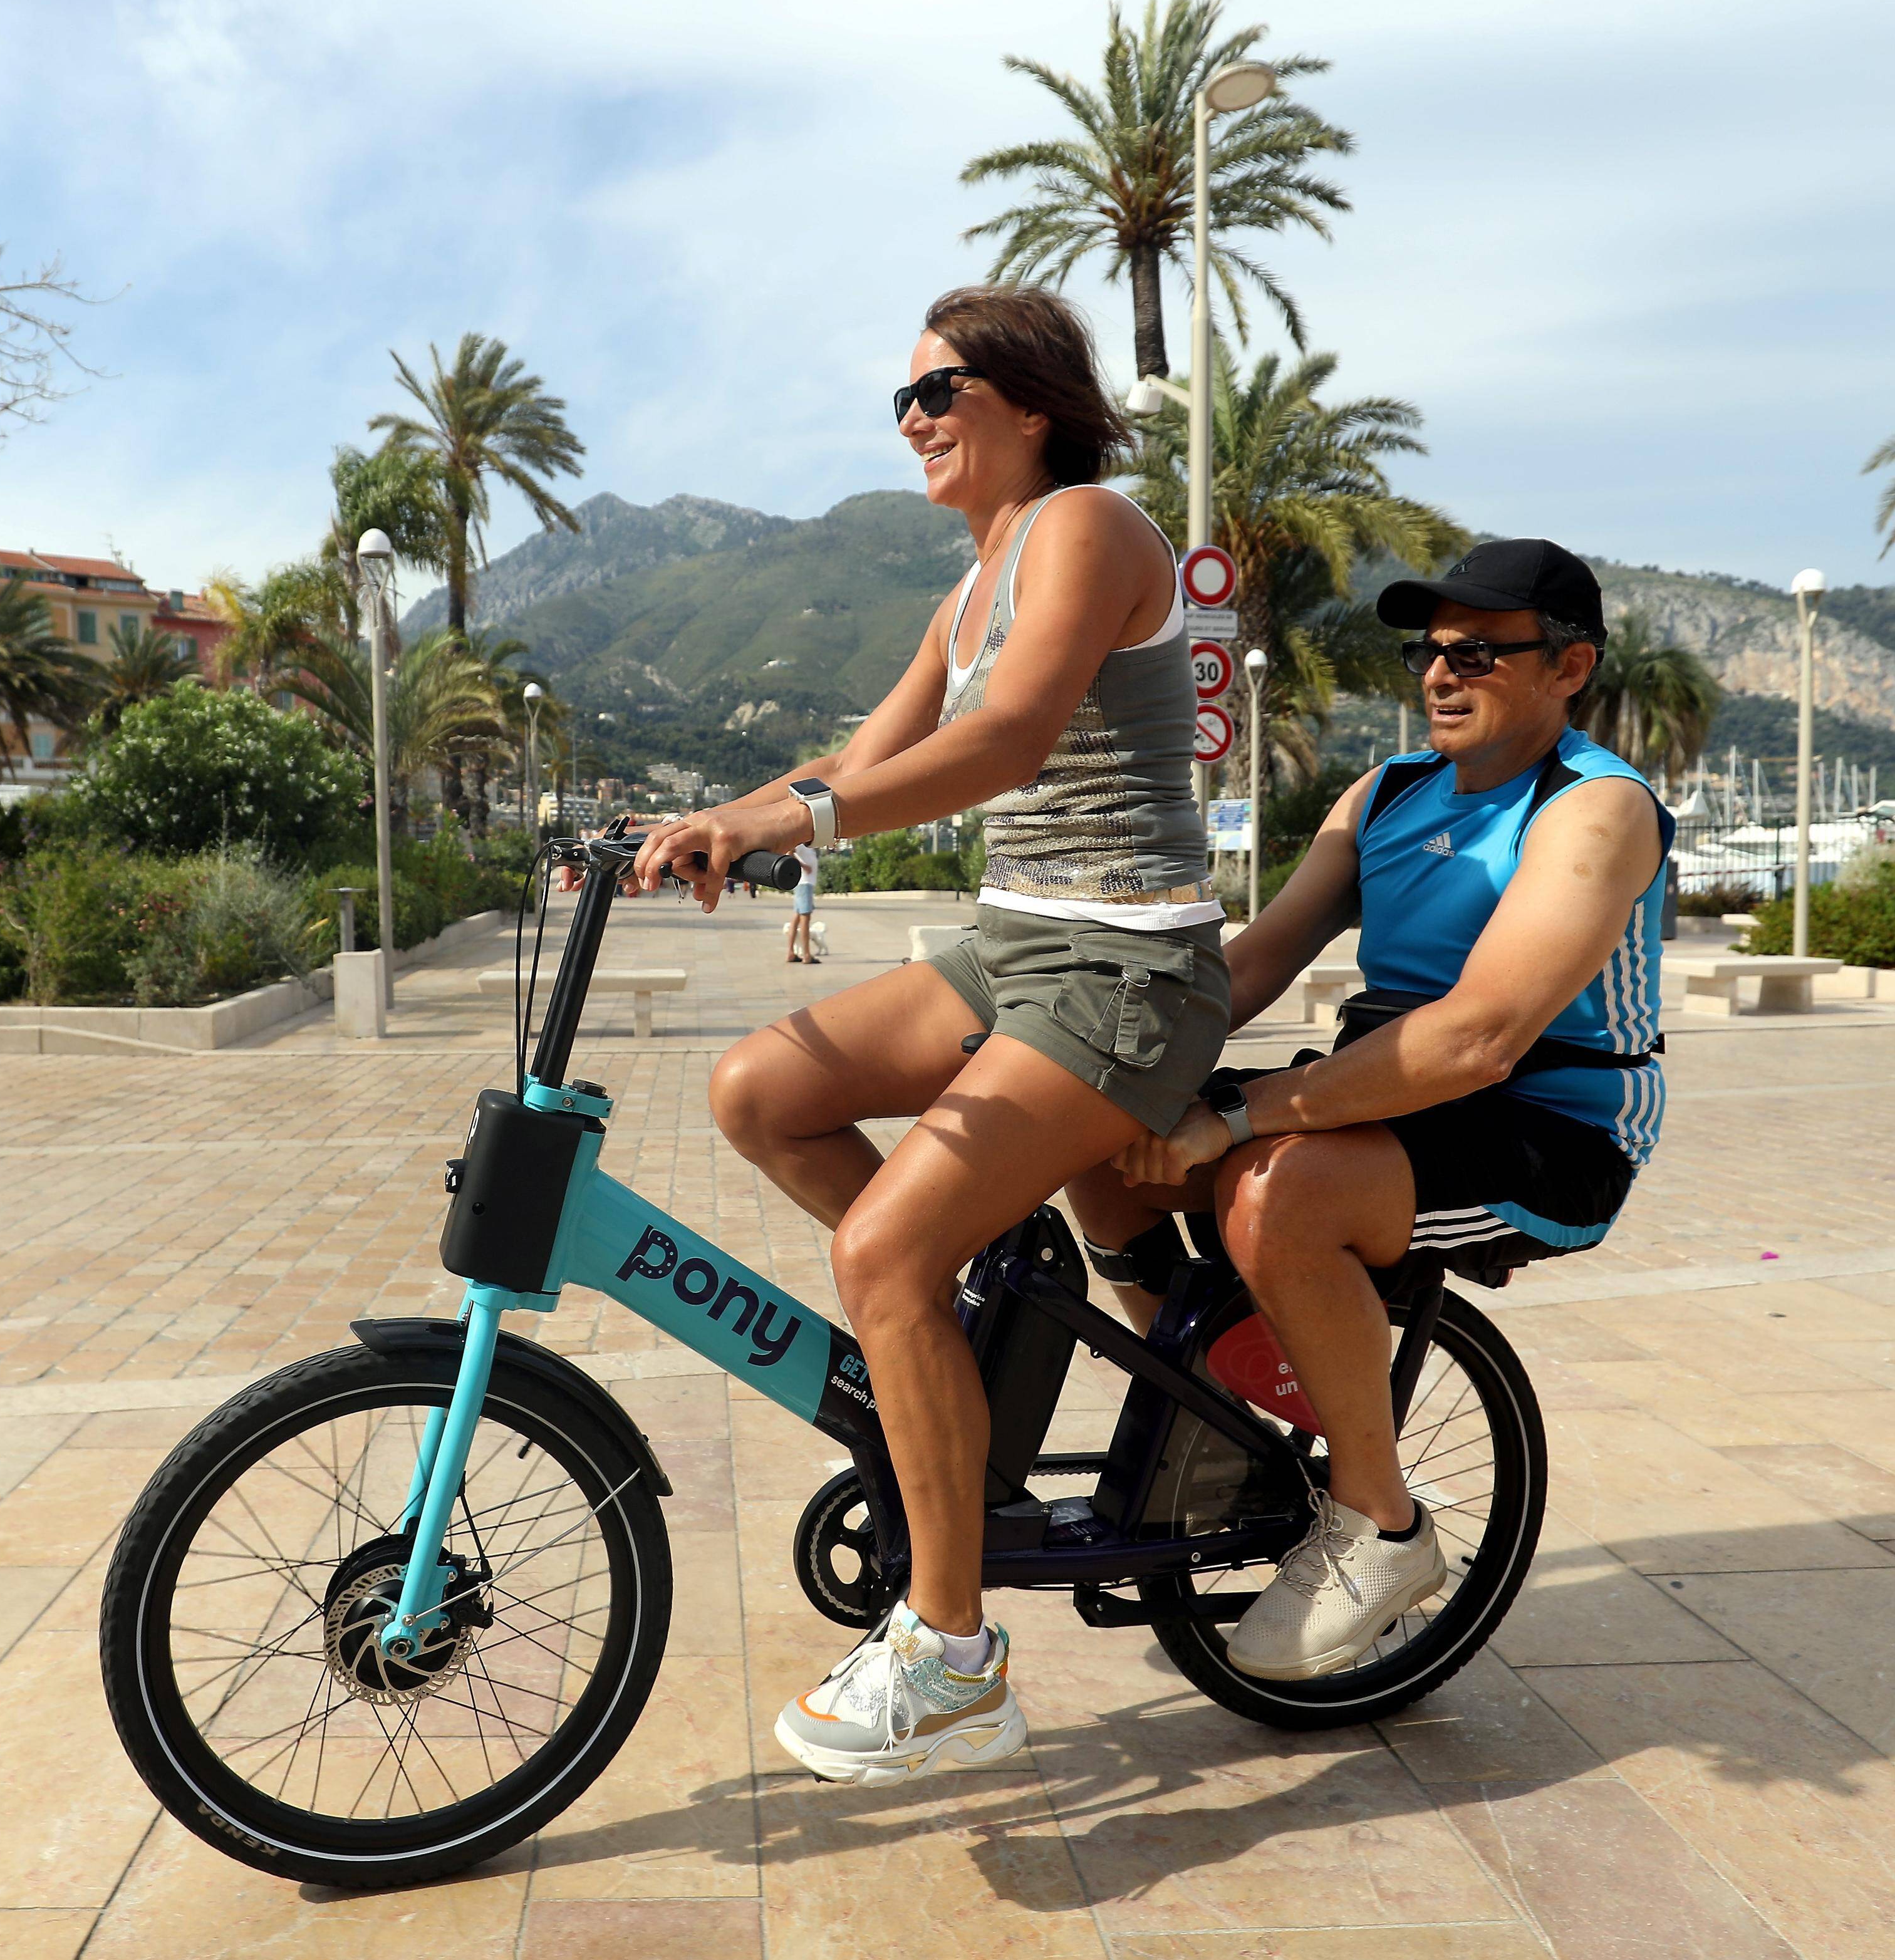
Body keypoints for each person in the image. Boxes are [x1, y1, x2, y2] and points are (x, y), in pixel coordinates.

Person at [632, 284, 1227, 1785]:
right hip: (1013, 946)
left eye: (937, 391)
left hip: (1127, 969)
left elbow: (1007, 741)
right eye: (900, 400)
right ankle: (951, 1326)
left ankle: (954, 1657)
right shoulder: (967, 586)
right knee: (760, 1088)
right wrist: (716, 819)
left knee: (879, 1251)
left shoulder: (1088, 528)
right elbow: (866, 755)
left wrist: (797, 816)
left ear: (1030, 403)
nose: (911, 421)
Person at [1098, 538, 1669, 1681]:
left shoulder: (1593, 809)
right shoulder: (1388, 795)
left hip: (1547, 1125)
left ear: (1569, 668)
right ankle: (1215, 1424)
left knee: (1279, 1191)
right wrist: (1089, 1045)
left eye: (1478, 652)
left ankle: (1383, 1527)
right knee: (1098, 1138)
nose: (1440, 675)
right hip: (1388, 1101)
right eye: (1429, 649)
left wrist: (1248, 1114)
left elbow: (1478, 1037)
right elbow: (1247, 969)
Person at [783, 843, 822, 963]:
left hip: (804, 884)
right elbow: (789, 852)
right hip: (804, 883)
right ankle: (806, 955)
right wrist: (803, 866)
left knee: (797, 917)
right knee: (805, 918)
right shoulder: (801, 842)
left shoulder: (807, 845)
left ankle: (791, 952)